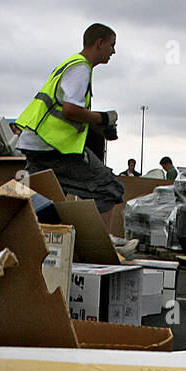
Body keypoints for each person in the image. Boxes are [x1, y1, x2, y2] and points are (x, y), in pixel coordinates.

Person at [16, 23, 124, 227]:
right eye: (112, 45)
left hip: (37, 145)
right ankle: (100, 247)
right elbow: (70, 110)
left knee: (45, 199)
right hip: (54, 148)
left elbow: (67, 111)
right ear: (99, 43)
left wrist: (97, 125)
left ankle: (43, 241)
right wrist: (101, 119)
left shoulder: (72, 64)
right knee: (109, 187)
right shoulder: (81, 68)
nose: (114, 51)